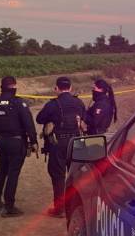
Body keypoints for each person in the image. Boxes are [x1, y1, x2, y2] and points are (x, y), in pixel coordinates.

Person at [36, 76, 86, 217]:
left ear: (56, 88)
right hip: (76, 142)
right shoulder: (78, 102)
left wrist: (52, 120)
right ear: (70, 88)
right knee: (75, 175)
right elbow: (84, 117)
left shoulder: (53, 104)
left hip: (58, 143)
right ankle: (75, 206)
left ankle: (59, 209)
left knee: (58, 177)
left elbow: (39, 119)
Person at [0, 76, 38, 217]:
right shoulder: (18, 103)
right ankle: (9, 207)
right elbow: (28, 123)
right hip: (16, 142)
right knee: (13, 174)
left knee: (1, 171)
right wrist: (33, 140)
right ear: (14, 87)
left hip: (1, 141)